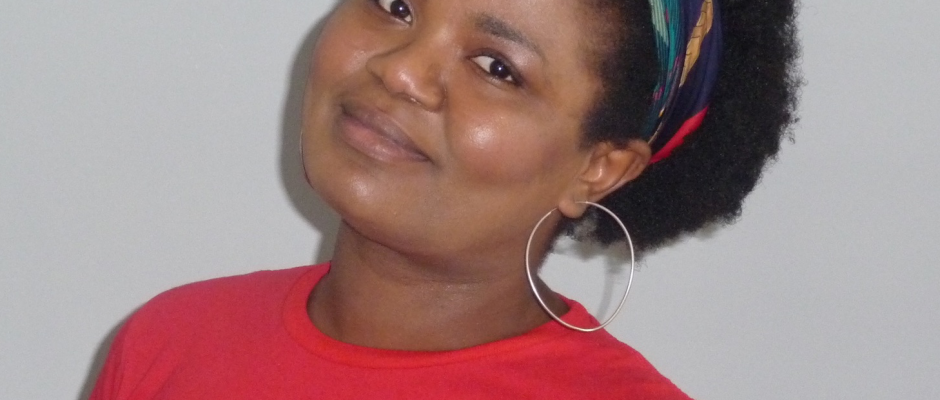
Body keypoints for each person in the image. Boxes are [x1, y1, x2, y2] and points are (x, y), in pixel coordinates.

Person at [89, 0, 799, 398]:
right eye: (397, 4)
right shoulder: (169, 342)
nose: (401, 71)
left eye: (497, 67)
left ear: (599, 168)